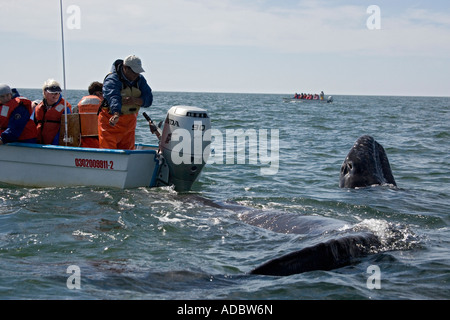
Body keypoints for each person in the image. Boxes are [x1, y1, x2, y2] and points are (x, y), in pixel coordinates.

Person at [99, 55, 153, 150]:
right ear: (125, 68)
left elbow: (149, 99)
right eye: (134, 72)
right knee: (108, 151)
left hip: (129, 125)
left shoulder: (140, 80)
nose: (136, 75)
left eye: (138, 72)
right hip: (111, 123)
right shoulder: (112, 79)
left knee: (128, 151)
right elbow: (112, 96)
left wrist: (137, 100)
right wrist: (116, 113)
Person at [32, 79, 72, 145]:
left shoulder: (65, 108)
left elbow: (67, 129)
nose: (56, 95)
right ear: (45, 92)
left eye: (58, 93)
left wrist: (54, 145)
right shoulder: (38, 108)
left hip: (56, 147)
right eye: (53, 93)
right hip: (39, 146)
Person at [75, 81, 103, 148]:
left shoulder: (78, 107)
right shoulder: (104, 108)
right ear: (98, 93)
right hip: (99, 144)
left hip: (81, 144)